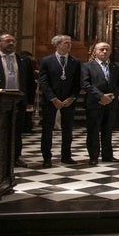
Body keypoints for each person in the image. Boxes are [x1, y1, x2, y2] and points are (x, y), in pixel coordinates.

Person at [0, 33, 36, 168]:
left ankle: (15, 157)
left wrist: (30, 101)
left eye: (13, 41)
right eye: (7, 41)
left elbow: (30, 82)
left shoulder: (23, 60)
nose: (11, 44)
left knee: (17, 130)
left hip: (18, 100)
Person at [38, 35, 81, 168]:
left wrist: (72, 97)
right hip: (51, 100)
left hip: (68, 100)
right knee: (47, 130)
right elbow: (43, 82)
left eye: (70, 43)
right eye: (65, 43)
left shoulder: (75, 61)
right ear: (57, 44)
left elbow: (77, 82)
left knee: (67, 130)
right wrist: (53, 98)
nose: (69, 45)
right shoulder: (46, 60)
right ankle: (46, 158)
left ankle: (66, 156)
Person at [81, 42, 119, 165]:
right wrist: (101, 96)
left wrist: (112, 95)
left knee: (108, 130)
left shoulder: (115, 67)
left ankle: (107, 155)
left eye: (107, 49)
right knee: (93, 130)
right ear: (95, 51)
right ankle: (93, 156)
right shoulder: (87, 66)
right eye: (101, 49)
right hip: (95, 103)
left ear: (110, 52)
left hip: (111, 103)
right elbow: (85, 84)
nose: (104, 52)